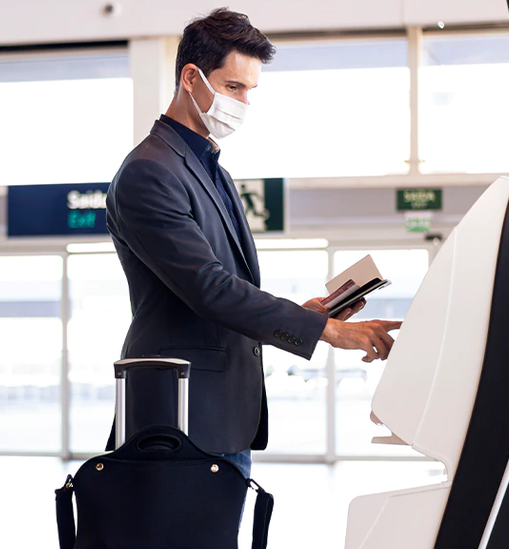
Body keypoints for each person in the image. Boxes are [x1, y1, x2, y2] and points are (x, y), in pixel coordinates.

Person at [105, 8, 401, 478]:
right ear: (190, 78)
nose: (243, 102)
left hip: (219, 417)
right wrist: (327, 331)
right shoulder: (150, 172)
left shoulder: (208, 169)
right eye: (233, 87)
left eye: (250, 91)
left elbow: (226, 290)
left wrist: (311, 313)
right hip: (179, 415)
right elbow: (210, 288)